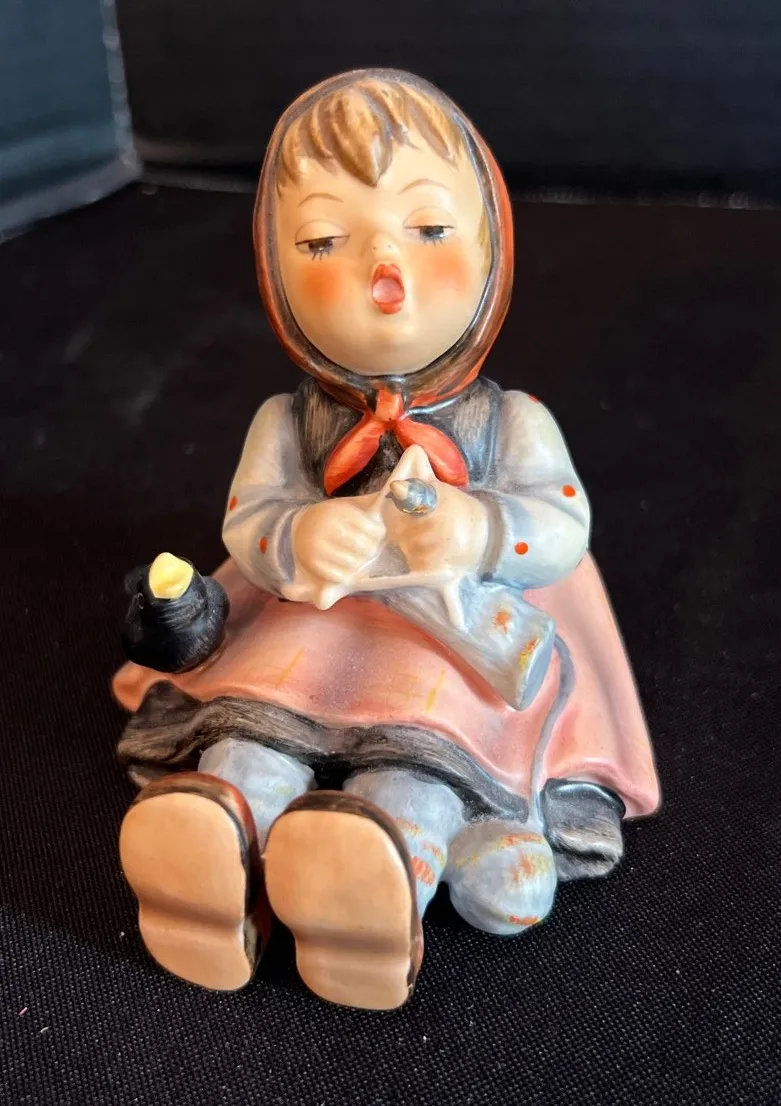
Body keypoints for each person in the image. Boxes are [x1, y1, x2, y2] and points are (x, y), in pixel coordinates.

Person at [115, 69, 660, 1011]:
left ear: (492, 250)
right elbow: (250, 522)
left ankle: (376, 869)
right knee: (254, 724)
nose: (384, 268)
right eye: (323, 241)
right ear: (276, 273)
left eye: (431, 228)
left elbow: (562, 524)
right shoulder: (287, 422)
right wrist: (299, 536)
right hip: (309, 631)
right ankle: (222, 841)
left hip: (447, 641)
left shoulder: (512, 422)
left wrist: (476, 526)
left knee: (420, 751)